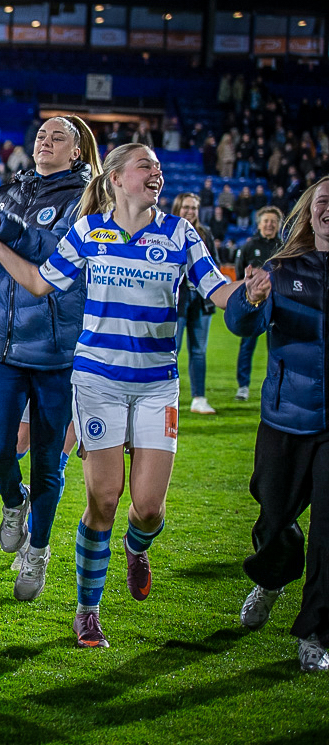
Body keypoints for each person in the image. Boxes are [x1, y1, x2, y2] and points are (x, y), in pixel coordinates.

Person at [0, 143, 244, 648]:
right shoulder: (88, 231)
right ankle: (88, 612)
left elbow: (217, 290)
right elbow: (39, 282)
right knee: (103, 498)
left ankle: (136, 547)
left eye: (159, 167)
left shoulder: (181, 233)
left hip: (157, 386)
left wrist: (251, 291)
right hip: (98, 382)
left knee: (149, 510)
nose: (156, 172)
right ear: (117, 178)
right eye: (146, 166)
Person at [0, 115, 101, 602]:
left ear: (77, 152)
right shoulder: (6, 193)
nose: (45, 141)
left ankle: (38, 550)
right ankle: (13, 500)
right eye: (41, 135)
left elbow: (55, 252)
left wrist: (4, 227)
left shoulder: (88, 199)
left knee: (48, 462)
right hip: (3, 344)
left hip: (56, 349)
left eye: (57, 137)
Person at [225, 178, 329, 672]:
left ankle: (316, 633)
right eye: (323, 202)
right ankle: (271, 578)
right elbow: (241, 325)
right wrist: (248, 299)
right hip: (286, 417)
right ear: (309, 212)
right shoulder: (282, 269)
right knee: (273, 517)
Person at [172, 193, 219, 414]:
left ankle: (199, 398)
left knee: (199, 351)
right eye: (186, 207)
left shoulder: (205, 234)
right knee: (172, 350)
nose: (190, 212)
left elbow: (214, 265)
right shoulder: (168, 230)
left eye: (194, 208)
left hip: (200, 301)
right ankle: (167, 396)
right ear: (177, 208)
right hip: (177, 300)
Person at [233, 207, 283, 400]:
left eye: (273, 221)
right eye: (266, 221)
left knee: (277, 347)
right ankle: (243, 387)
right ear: (259, 224)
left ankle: (277, 386)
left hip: (278, 305)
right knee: (247, 344)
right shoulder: (248, 246)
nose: (269, 224)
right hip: (254, 305)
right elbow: (239, 275)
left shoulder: (285, 246)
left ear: (278, 225)